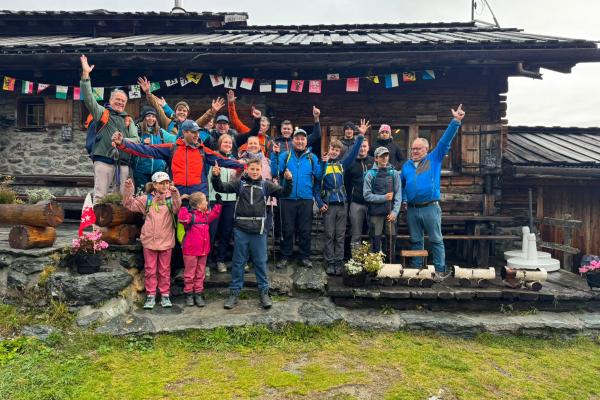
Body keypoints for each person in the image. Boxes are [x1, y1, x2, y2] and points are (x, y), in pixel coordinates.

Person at [211, 158, 293, 309]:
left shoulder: (266, 185)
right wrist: (215, 177)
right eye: (252, 169)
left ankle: (264, 293)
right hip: (241, 229)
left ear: (261, 170)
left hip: (259, 230)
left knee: (260, 262)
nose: (254, 172)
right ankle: (234, 293)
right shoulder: (239, 184)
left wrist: (288, 181)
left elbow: (284, 193)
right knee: (238, 262)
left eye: (257, 169)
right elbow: (221, 187)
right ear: (247, 169)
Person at [401, 104, 465, 277]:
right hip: (412, 209)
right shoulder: (406, 166)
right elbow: (402, 185)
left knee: (436, 240)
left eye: (418, 148)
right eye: (413, 148)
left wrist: (455, 121)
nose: (415, 151)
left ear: (426, 149)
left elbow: (444, 141)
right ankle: (417, 270)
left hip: (430, 207)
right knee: (416, 240)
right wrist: (405, 199)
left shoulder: (433, 159)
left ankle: (439, 270)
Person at [111, 119, 244, 196]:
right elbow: (146, 150)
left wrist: (243, 165)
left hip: (199, 195)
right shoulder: (171, 148)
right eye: (193, 132)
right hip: (176, 194)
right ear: (184, 132)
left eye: (197, 132)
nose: (196, 135)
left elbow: (223, 160)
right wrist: (123, 143)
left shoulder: (202, 150)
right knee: (176, 229)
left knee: (198, 229)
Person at [80, 55, 140, 203]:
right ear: (110, 100)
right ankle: (97, 220)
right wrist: (86, 75)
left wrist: (122, 140)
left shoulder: (128, 119)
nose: (120, 103)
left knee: (122, 199)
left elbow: (137, 140)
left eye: (123, 101)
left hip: (123, 163)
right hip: (103, 160)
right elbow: (88, 99)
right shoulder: (102, 113)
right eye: (117, 100)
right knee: (100, 196)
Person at [315, 120, 368, 276]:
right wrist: (320, 203)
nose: (334, 151)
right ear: (328, 149)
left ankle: (339, 262)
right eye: (332, 149)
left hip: (342, 205)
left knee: (340, 236)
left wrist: (360, 136)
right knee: (329, 235)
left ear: (339, 152)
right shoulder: (322, 165)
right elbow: (316, 187)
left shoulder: (342, 165)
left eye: (337, 150)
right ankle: (330, 262)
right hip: (329, 206)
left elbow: (353, 153)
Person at [122, 172, 181, 309]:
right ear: (154, 185)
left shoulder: (170, 198)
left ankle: (165, 295)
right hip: (149, 241)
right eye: (161, 183)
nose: (165, 185)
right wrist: (128, 188)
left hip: (166, 240)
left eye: (167, 182)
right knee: (150, 270)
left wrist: (175, 194)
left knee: (164, 270)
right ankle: (150, 296)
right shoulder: (146, 199)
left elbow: (177, 208)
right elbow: (128, 203)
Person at [272, 113, 322, 269]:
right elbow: (275, 171)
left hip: (305, 199)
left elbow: (319, 176)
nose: (300, 141)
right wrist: (274, 155)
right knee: (287, 229)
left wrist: (324, 164)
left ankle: (304, 256)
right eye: (297, 139)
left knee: (305, 230)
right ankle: (285, 256)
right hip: (287, 198)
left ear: (306, 141)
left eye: (303, 139)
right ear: (293, 140)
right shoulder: (285, 155)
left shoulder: (312, 157)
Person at [137, 76, 225, 140]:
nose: (182, 112)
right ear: (175, 111)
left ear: (187, 114)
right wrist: (148, 93)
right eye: (179, 110)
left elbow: (204, 119)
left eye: (184, 111)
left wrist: (213, 111)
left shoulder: (191, 125)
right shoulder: (168, 122)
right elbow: (157, 108)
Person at [177, 191, 222, 307]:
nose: (207, 202)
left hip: (203, 251)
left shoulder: (205, 216)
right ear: (199, 205)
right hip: (190, 251)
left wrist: (218, 204)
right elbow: (182, 219)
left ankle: (198, 294)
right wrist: (183, 206)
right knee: (189, 274)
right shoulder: (190, 216)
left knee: (200, 273)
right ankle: (188, 294)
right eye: (205, 201)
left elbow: (214, 214)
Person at [364, 147, 402, 261]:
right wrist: (384, 197)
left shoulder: (394, 173)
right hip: (375, 213)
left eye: (386, 155)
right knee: (375, 240)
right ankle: (376, 267)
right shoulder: (370, 174)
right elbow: (367, 195)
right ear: (376, 158)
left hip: (390, 214)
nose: (384, 158)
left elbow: (398, 195)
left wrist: (395, 212)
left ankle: (391, 266)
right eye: (381, 156)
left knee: (391, 241)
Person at [207, 134, 238, 273]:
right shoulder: (212, 158)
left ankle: (221, 260)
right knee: (211, 231)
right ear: (219, 144)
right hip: (215, 199)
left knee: (226, 231)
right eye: (225, 142)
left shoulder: (234, 160)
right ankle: (207, 262)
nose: (228, 144)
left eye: (230, 143)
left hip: (230, 199)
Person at [131, 106, 176, 189]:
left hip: (158, 170)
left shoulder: (160, 132)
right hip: (141, 170)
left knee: (158, 194)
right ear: (143, 118)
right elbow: (131, 143)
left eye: (153, 116)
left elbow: (175, 139)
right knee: (142, 193)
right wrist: (142, 143)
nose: (151, 118)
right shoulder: (137, 130)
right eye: (148, 116)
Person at [345, 139, 374, 247]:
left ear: (368, 148)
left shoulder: (374, 162)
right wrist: (350, 199)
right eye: (360, 146)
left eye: (364, 146)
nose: (362, 149)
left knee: (373, 233)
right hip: (356, 203)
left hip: (372, 203)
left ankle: (372, 256)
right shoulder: (351, 163)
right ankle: (356, 257)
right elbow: (346, 184)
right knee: (356, 233)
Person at [227, 90, 272, 156]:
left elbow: (268, 157)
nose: (260, 127)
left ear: (267, 128)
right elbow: (235, 120)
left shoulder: (268, 141)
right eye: (259, 124)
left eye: (263, 125)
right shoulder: (247, 131)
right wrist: (231, 104)